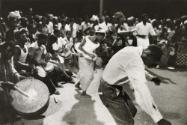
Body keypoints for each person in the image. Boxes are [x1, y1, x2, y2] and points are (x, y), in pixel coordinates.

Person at [99, 45, 172, 125]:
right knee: (127, 122)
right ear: (148, 54)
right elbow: (142, 91)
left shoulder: (133, 50)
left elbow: (135, 68)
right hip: (108, 90)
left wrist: (151, 78)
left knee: (131, 111)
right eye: (153, 62)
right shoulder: (134, 60)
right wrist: (158, 118)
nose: (152, 66)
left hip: (114, 86)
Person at [75, 28, 105, 96]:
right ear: (97, 34)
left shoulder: (98, 44)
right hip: (82, 58)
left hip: (90, 59)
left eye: (103, 37)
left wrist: (95, 57)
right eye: (101, 36)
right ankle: (84, 90)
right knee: (88, 75)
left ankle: (78, 84)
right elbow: (80, 47)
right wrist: (88, 54)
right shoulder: (86, 38)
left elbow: (94, 52)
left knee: (90, 76)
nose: (102, 38)